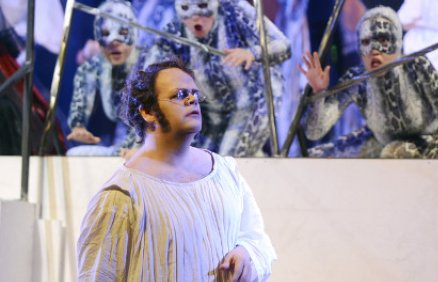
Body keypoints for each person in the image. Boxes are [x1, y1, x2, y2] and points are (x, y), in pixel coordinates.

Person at [77, 59, 276, 281]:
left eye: (194, 94)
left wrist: (246, 253)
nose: (192, 99)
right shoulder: (121, 196)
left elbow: (257, 239)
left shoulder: (225, 171)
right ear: (147, 112)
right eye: (179, 95)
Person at [299, 6, 438, 158]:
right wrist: (319, 93)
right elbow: (314, 132)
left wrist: (428, 158)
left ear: (396, 43)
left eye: (382, 40)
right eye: (367, 42)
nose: (374, 49)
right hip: (383, 141)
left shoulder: (417, 65)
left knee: (395, 153)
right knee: (316, 155)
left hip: (432, 140)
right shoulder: (356, 78)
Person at [138, 0, 291, 156]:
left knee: (229, 158)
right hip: (210, 113)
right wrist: (141, 145)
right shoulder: (173, 32)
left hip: (254, 102)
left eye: (202, 6)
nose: (196, 18)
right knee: (195, 160)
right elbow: (147, 81)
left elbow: (284, 45)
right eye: (186, 9)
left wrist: (252, 53)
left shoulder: (235, 9)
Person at [67, 0, 138, 156]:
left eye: (122, 33)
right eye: (106, 34)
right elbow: (83, 84)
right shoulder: (96, 64)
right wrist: (79, 126)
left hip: (146, 146)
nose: (114, 41)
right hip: (117, 142)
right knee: (74, 155)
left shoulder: (147, 64)